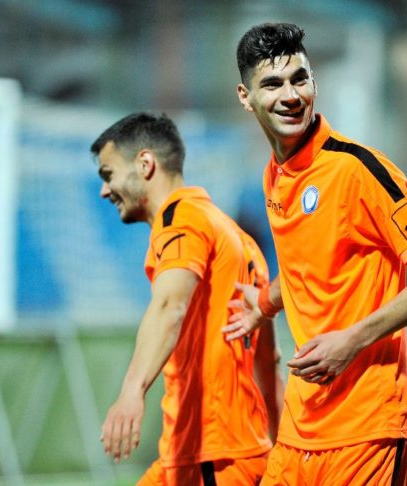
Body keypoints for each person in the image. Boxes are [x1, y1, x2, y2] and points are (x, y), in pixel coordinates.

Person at [224, 23, 407, 485]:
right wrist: (264, 303)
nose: (290, 95)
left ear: (314, 83)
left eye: (300, 79)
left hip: (367, 427)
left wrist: (353, 340)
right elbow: (309, 262)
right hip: (301, 426)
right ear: (246, 96)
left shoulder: (358, 168)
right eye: (272, 84)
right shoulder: (274, 176)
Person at [91, 113, 282, 485]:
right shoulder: (239, 238)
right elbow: (266, 360)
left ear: (145, 164)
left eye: (108, 174)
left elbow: (169, 305)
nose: (104, 190)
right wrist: (279, 447)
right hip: (220, 453)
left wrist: (132, 391)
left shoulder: (182, 219)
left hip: (211, 456)